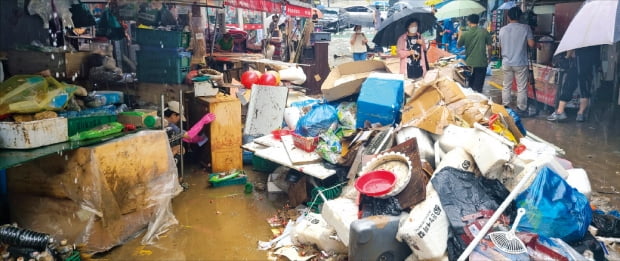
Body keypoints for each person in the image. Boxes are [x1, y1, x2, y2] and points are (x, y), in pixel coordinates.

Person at [498, 7, 535, 116]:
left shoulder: (502, 29)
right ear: (520, 17)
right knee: (521, 87)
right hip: (520, 62)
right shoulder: (525, 28)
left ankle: (506, 107)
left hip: (506, 62)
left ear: (508, 17)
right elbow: (531, 44)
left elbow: (501, 46)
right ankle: (521, 108)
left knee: (506, 86)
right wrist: (538, 45)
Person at [547, 46, 600, 122]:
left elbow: (570, 52)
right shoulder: (595, 41)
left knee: (568, 86)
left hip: (576, 63)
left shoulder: (578, 36)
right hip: (589, 65)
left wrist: (567, 56)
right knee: (584, 89)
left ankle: (560, 111)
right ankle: (580, 114)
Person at [457, 14, 491, 93]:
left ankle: (473, 103)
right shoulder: (484, 32)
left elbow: (458, 46)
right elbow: (489, 47)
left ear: (469, 22)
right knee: (478, 88)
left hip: (470, 64)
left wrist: (459, 35)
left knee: (470, 88)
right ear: (478, 21)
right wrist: (489, 58)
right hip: (482, 63)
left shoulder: (465, 33)